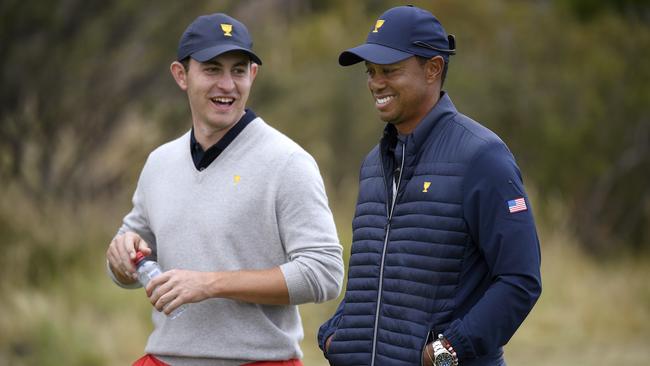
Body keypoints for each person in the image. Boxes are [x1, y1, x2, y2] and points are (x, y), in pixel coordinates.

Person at [105, 12, 344, 366]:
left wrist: (211, 284)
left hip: (259, 361)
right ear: (181, 75)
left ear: (253, 75)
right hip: (163, 358)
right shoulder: (159, 162)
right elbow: (129, 264)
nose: (228, 85)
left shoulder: (288, 162)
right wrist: (122, 260)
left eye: (239, 70)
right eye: (212, 69)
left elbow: (324, 274)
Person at [318, 5, 542, 366]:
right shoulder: (372, 164)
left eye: (390, 70)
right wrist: (336, 334)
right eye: (370, 72)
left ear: (433, 69)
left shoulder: (483, 158)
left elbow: (520, 280)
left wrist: (443, 353)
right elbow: (373, 271)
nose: (376, 82)